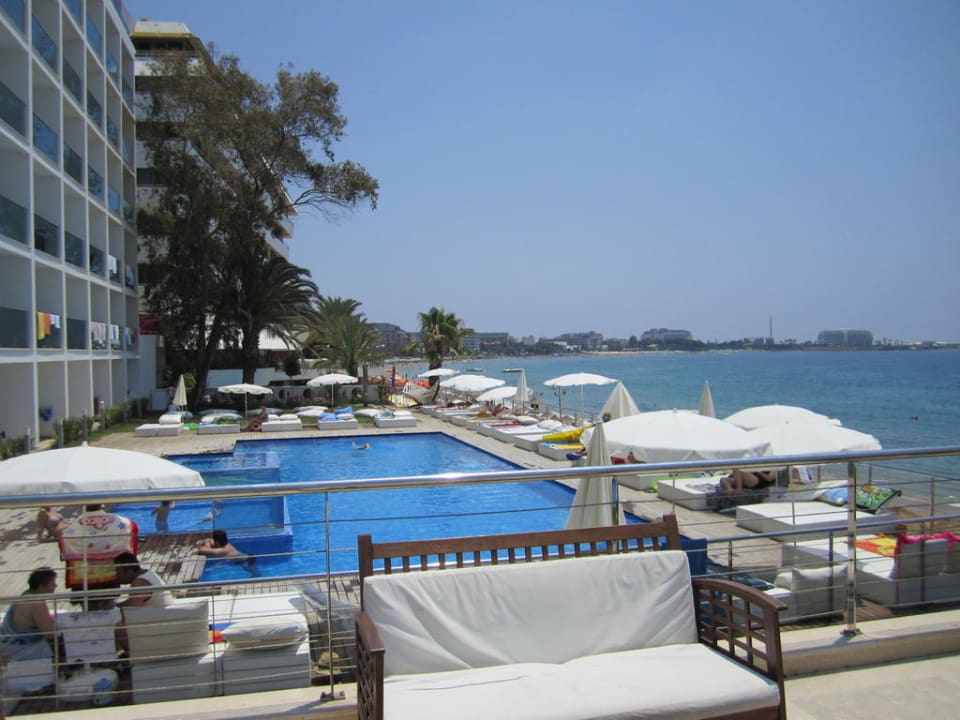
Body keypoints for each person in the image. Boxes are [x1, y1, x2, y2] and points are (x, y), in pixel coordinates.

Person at [0, 567, 58, 661]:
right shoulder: (37, 603)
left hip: (5, 644)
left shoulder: (26, 594)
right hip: (17, 649)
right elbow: (50, 633)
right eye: (53, 584)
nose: (56, 586)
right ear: (41, 587)